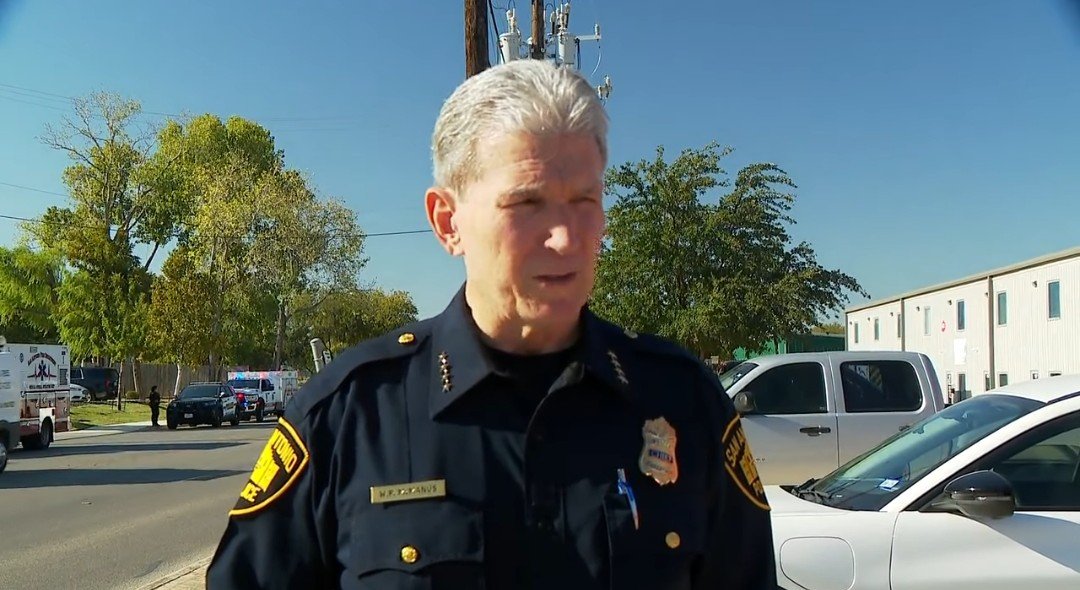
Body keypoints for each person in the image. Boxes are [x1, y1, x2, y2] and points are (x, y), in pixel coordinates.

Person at [206, 59, 776, 589]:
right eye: (527, 204)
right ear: (447, 221)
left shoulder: (684, 401)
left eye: (585, 200)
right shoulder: (351, 416)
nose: (567, 238)